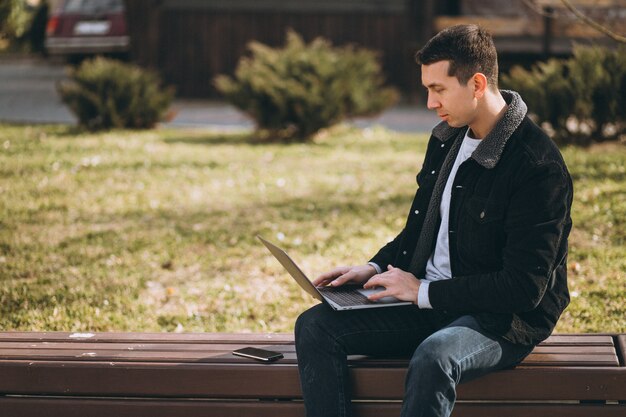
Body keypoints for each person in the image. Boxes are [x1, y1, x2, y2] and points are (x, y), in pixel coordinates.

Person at [294, 24, 573, 417]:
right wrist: (372, 267)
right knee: (315, 327)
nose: (429, 103)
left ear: (477, 84)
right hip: (429, 301)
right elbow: (421, 230)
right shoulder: (447, 139)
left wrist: (422, 291)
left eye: (438, 89)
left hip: (501, 320)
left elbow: (524, 288)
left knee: (435, 356)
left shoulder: (537, 167)